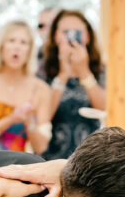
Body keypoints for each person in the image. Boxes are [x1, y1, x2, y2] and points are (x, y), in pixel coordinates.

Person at [0, 20, 52, 155]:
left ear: (30, 50)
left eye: (23, 43)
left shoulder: (41, 89)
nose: (17, 47)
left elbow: (41, 146)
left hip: (26, 166)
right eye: (11, 41)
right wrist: (11, 119)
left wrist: (29, 122)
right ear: (1, 46)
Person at [43, 9, 106, 160]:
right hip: (51, 157)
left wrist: (84, 72)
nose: (71, 37)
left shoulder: (101, 70)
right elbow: (43, 115)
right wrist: (63, 74)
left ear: (88, 36)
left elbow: (105, 108)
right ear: (55, 36)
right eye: (66, 32)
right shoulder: (43, 69)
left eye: (77, 32)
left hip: (90, 157)